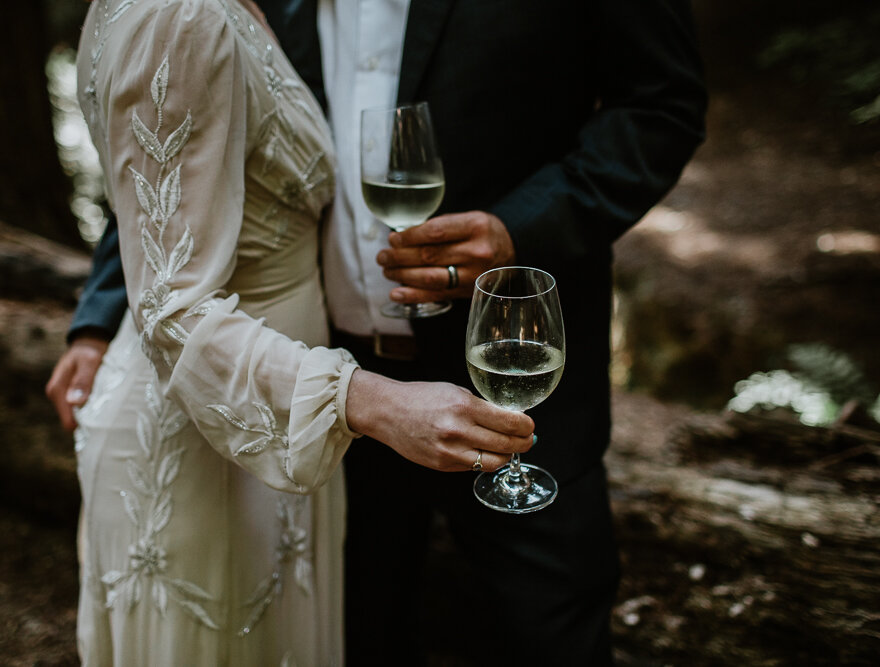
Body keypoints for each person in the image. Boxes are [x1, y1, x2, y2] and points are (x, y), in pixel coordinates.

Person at [49, 0, 708, 664]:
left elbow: (662, 105)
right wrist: (101, 318)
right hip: (320, 388)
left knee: (549, 633)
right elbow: (170, 146)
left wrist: (520, 230)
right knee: (360, 634)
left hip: (513, 375)